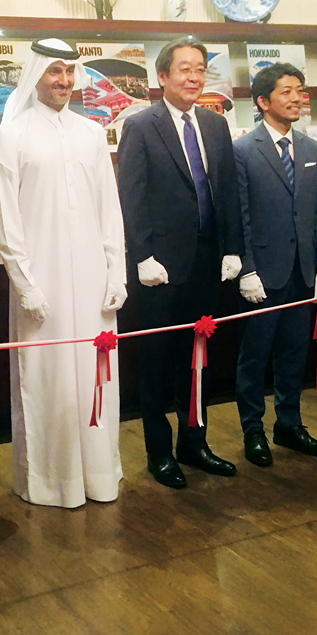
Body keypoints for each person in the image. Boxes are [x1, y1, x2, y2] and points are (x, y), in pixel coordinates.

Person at [0, 39, 127, 508]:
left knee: (94, 376)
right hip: (41, 284)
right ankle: (51, 482)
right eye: (54, 72)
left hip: (94, 281)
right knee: (47, 380)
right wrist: (24, 284)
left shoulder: (90, 133)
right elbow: (6, 220)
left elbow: (110, 209)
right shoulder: (12, 136)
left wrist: (117, 273)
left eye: (69, 72)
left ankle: (100, 475)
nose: (63, 82)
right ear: (36, 75)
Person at [117, 37, 242, 489]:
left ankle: (196, 441)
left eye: (200, 69)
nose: (193, 77)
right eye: (184, 69)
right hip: (162, 269)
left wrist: (232, 247)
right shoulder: (141, 125)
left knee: (199, 357)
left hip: (209, 263)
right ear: (163, 76)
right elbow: (131, 197)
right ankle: (160, 452)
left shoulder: (214, 123)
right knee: (159, 361)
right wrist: (142, 256)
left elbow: (226, 190)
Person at [234, 63, 317, 467]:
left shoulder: (312, 149)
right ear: (262, 101)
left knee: (295, 352)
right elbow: (238, 217)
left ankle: (289, 424)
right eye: (286, 92)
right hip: (263, 271)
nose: (297, 98)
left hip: (304, 270)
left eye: (300, 90)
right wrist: (247, 269)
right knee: (255, 354)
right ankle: (252, 429)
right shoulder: (242, 150)